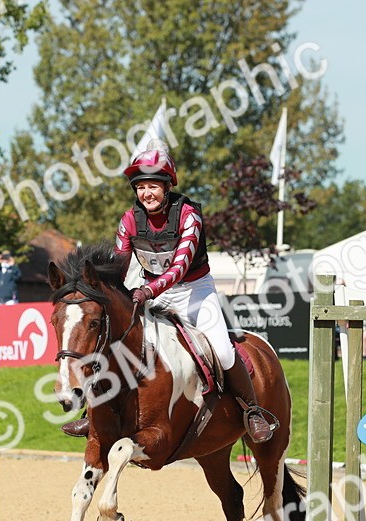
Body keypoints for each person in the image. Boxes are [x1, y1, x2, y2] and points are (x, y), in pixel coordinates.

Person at [62, 138, 274, 443]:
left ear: (167, 186)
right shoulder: (129, 220)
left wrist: (148, 291)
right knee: (117, 343)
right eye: (140, 187)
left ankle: (252, 410)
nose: (146, 193)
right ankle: (94, 414)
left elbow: (180, 267)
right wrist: (111, 295)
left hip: (195, 292)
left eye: (153, 186)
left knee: (224, 351)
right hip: (150, 291)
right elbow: (120, 265)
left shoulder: (189, 214)